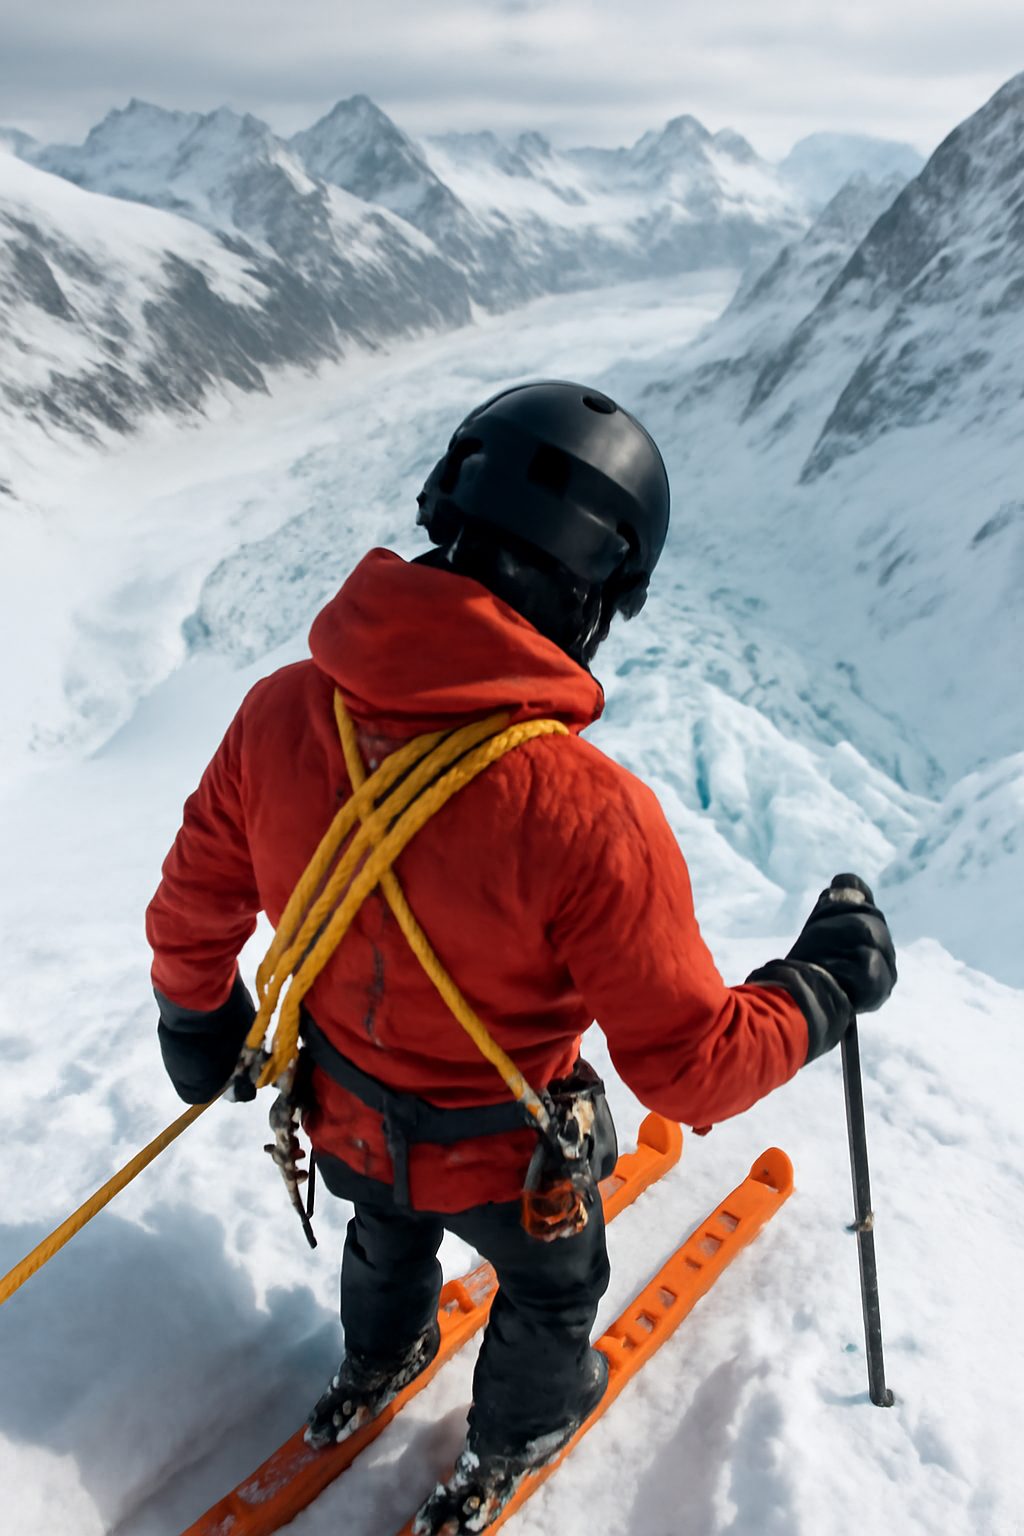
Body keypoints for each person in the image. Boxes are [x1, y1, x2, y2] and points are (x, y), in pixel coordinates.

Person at [146, 381, 896, 1535]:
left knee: (383, 1228)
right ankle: (519, 1429)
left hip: (342, 1119)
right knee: (555, 1286)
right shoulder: (587, 814)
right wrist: (821, 989)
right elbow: (690, 1071)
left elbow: (197, 894)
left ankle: (376, 1359)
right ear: (596, 595)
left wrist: (195, 1017)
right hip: (502, 1166)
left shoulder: (281, 712)